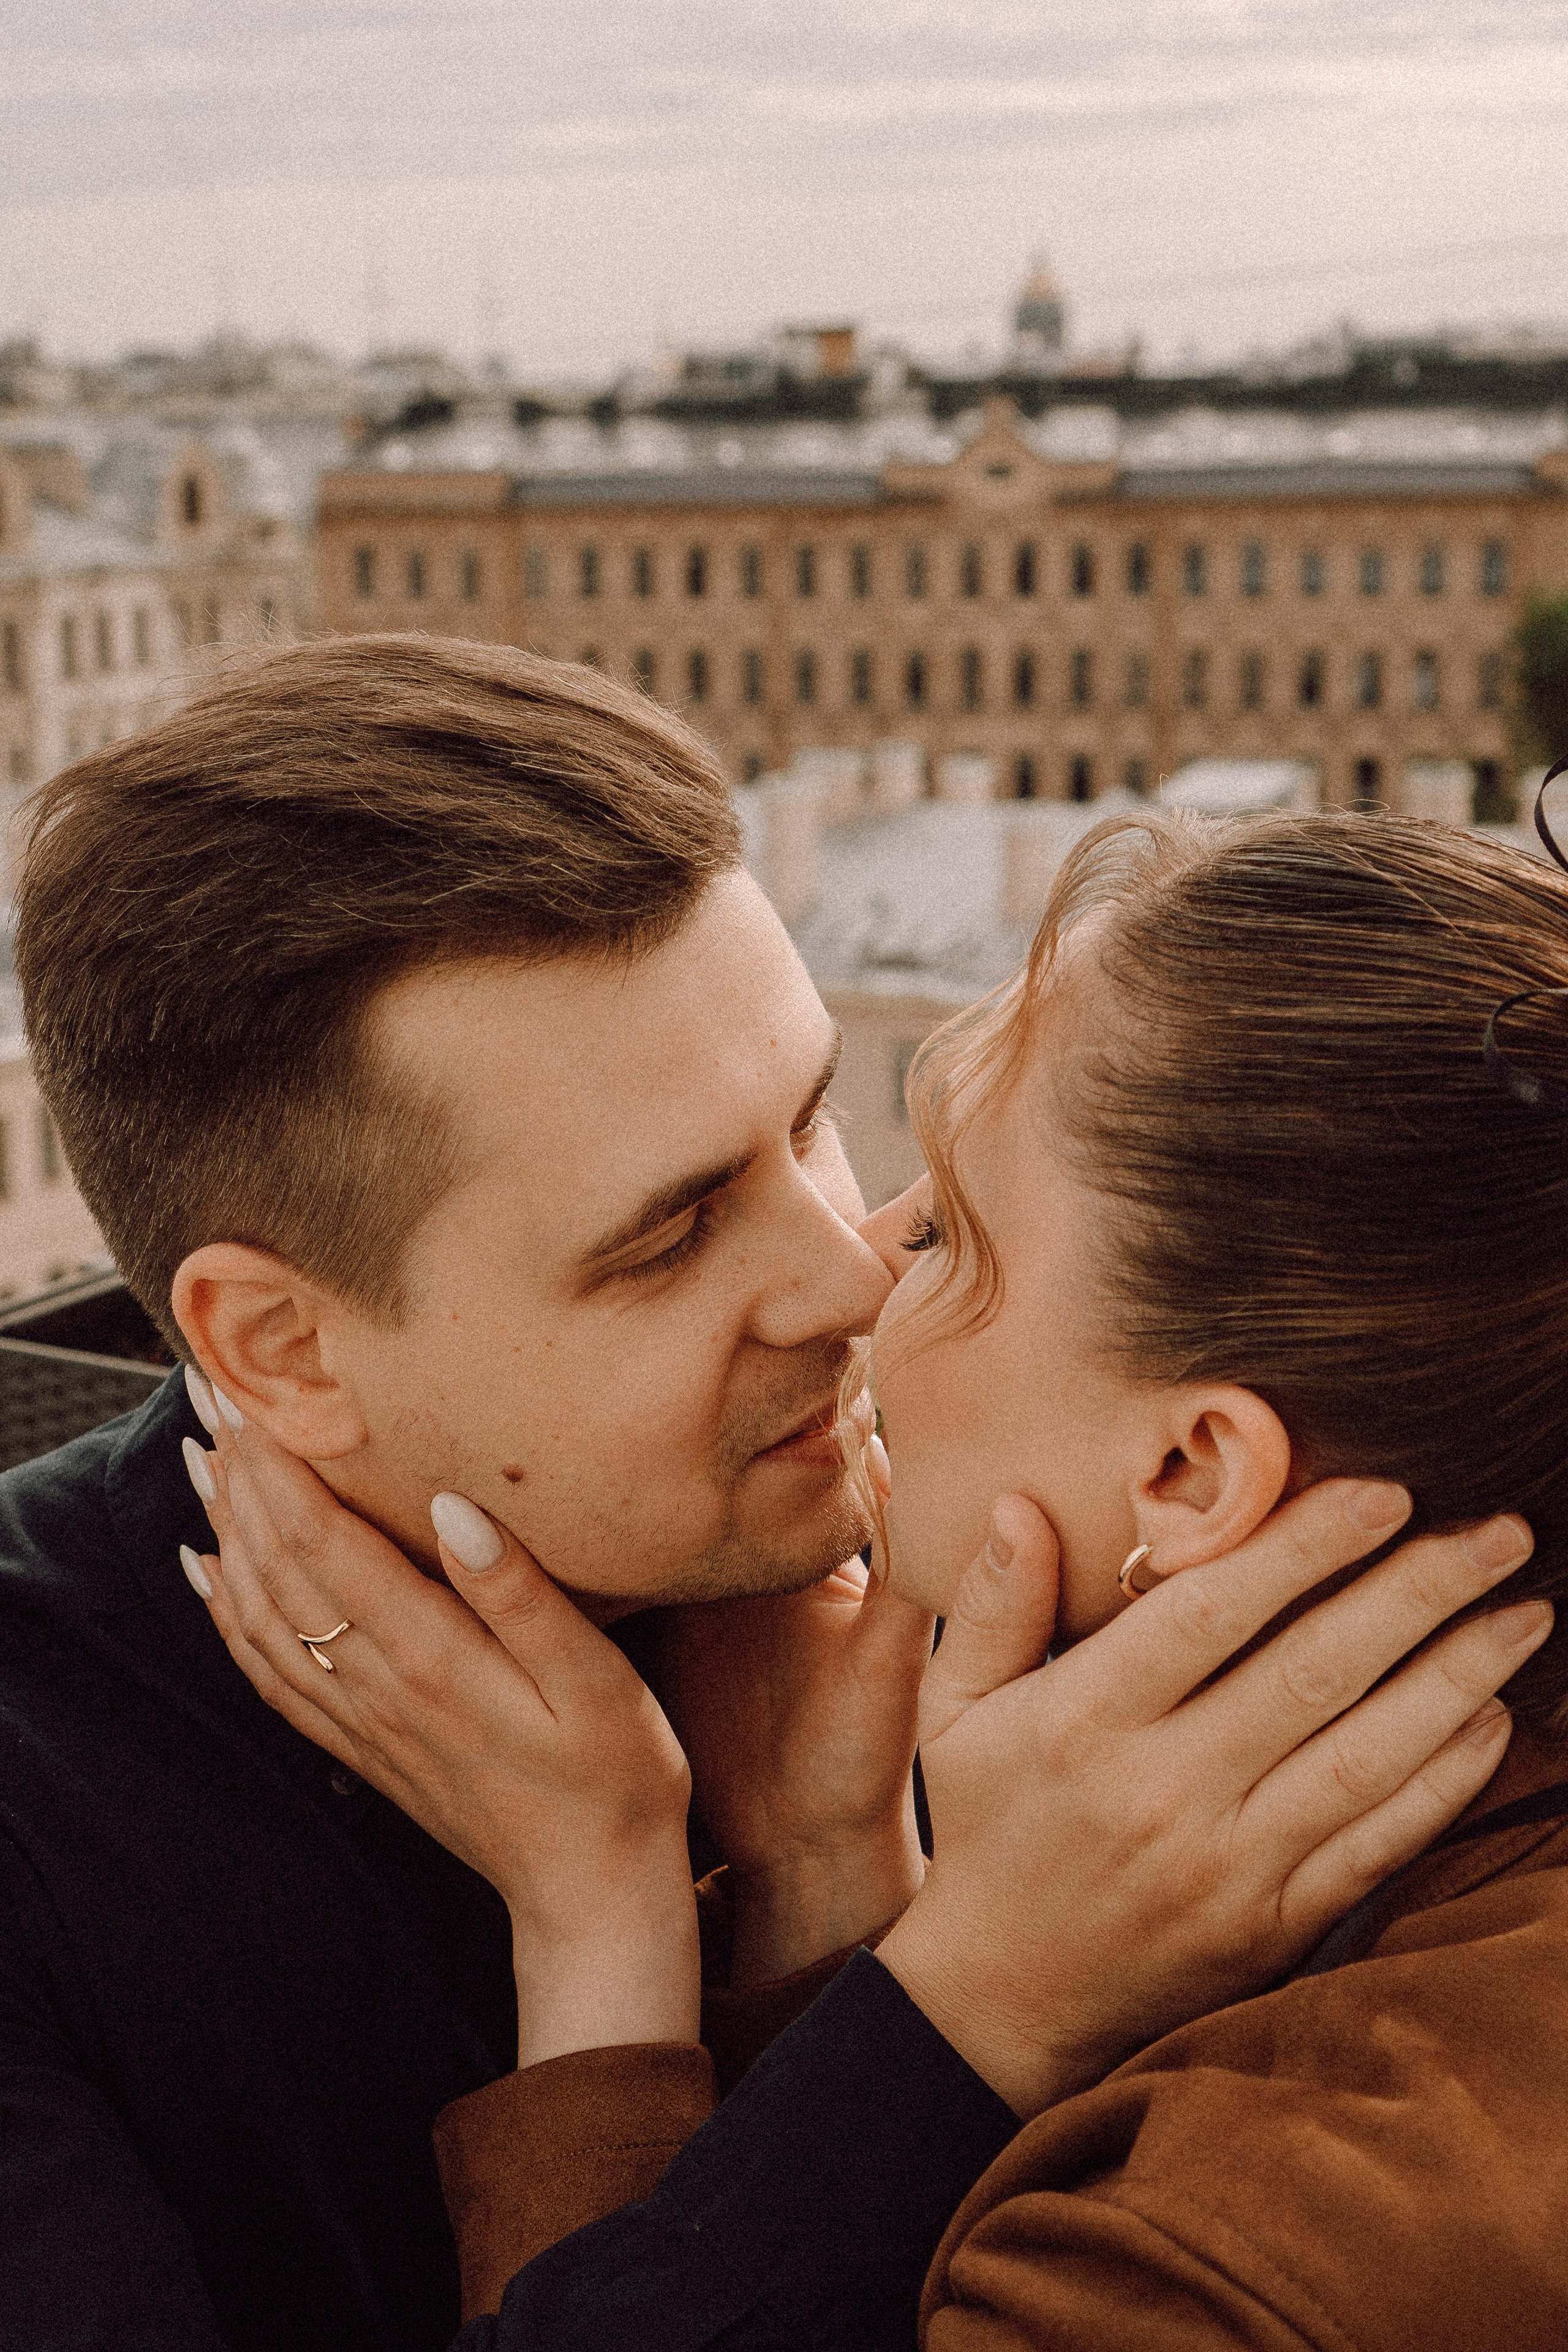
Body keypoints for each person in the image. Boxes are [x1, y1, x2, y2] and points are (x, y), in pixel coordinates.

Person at [179, 756, 1567, 2343]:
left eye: (962, 1237)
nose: (859, 1273)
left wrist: (628, 1925)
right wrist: (838, 1881)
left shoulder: (1241, 2255)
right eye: (673, 1228)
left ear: (1192, 1470)